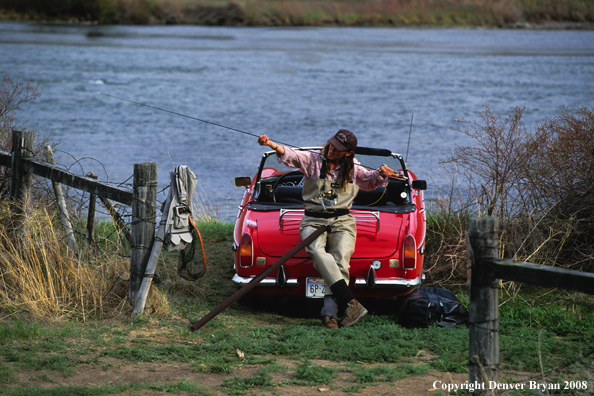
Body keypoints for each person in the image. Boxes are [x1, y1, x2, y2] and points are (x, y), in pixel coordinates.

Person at [257, 129, 395, 328]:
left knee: (341, 260)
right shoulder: (312, 159)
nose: (331, 149)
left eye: (337, 149)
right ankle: (350, 302)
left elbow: (370, 179)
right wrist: (271, 144)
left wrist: (382, 174)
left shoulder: (354, 168)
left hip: (342, 221)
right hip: (313, 220)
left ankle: (329, 313)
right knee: (315, 250)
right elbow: (292, 156)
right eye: (331, 144)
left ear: (347, 153)